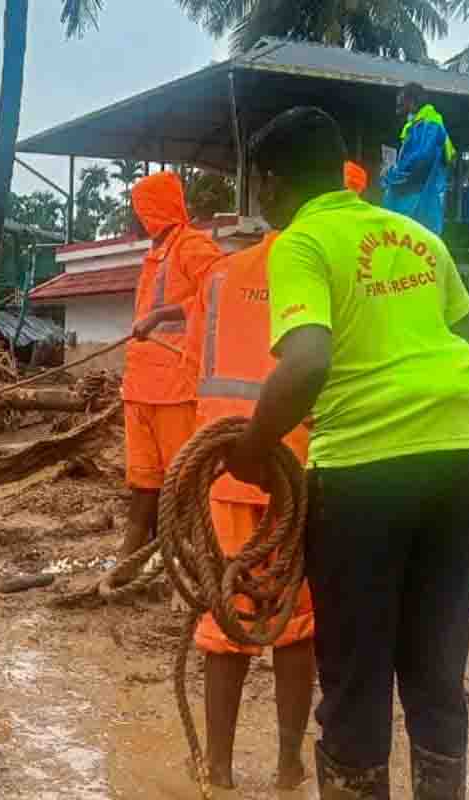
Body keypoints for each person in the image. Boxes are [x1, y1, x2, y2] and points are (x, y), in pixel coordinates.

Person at [225, 107, 469, 799]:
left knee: (356, 674)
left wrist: (253, 451)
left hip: (361, 480)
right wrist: (449, 434)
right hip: (453, 467)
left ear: (274, 182)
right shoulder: (417, 238)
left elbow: (307, 361)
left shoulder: (303, 244)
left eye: (258, 185)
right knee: (436, 670)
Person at [183, 232, 317, 791]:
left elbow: (195, 363)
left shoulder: (218, 275)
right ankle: (288, 765)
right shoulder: (322, 265)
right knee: (295, 617)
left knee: (225, 615)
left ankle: (218, 766)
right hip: (299, 465)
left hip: (225, 465)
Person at [120, 171, 223, 565]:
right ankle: (130, 560)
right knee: (144, 479)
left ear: (152, 210)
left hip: (176, 387)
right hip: (142, 386)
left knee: (183, 480)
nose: (133, 217)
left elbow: (220, 293)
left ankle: (187, 562)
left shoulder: (193, 247)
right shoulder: (155, 255)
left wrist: (165, 313)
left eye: (138, 209)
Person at [381, 82, 457, 234]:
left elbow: (420, 164)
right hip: (415, 204)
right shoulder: (416, 126)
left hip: (419, 205)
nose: (398, 110)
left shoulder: (430, 126)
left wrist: (391, 175)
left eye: (400, 104)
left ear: (411, 101)